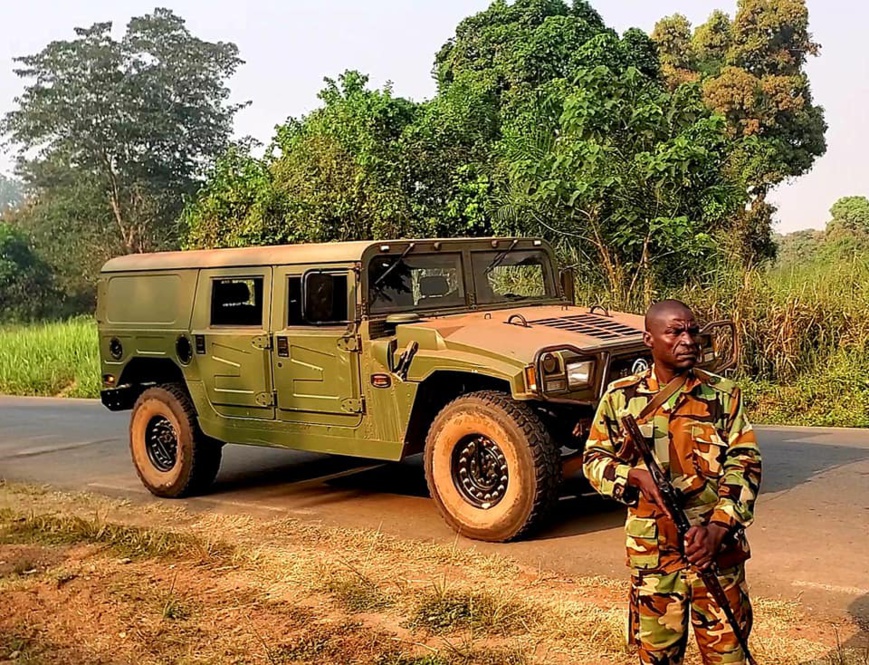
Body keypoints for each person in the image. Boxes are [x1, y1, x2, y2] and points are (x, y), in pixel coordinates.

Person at [583, 299, 762, 665]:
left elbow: (745, 462)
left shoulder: (723, 394)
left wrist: (717, 529)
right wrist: (632, 476)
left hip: (715, 551)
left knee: (728, 656)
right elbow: (594, 460)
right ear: (649, 339)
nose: (688, 340)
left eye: (693, 331)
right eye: (675, 332)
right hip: (654, 557)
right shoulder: (621, 397)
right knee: (657, 657)